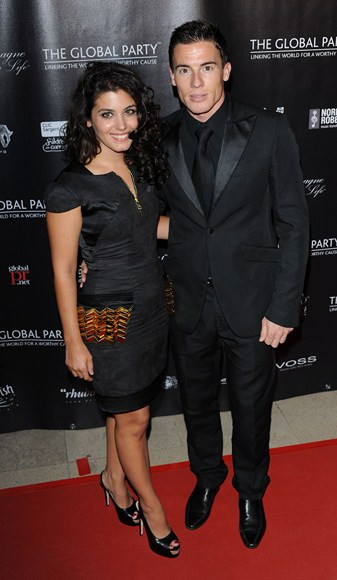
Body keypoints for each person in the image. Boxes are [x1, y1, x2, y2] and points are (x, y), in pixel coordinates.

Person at [158, 20, 309, 548]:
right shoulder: (161, 137)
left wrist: (284, 306)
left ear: (225, 70)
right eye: (184, 70)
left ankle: (250, 490)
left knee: (251, 405)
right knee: (196, 402)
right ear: (172, 78)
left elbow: (294, 223)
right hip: (188, 301)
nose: (196, 82)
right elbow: (150, 215)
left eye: (205, 68)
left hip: (253, 301)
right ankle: (207, 478)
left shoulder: (267, 130)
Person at [44, 61, 179, 558]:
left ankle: (112, 477)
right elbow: (62, 272)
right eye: (108, 115)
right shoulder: (69, 187)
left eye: (129, 112)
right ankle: (153, 509)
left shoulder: (140, 164)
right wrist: (73, 340)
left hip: (151, 309)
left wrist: (212, 231)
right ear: (88, 120)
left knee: (124, 412)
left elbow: (152, 228)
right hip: (106, 319)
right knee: (136, 419)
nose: (122, 125)